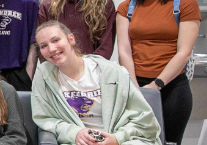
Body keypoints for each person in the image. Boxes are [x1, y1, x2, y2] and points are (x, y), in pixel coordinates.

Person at [116, 0, 199, 144]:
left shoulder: (185, 4)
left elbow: (184, 53)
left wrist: (156, 85)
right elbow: (124, 50)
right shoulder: (127, 6)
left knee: (168, 141)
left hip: (172, 88)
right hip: (135, 87)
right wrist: (136, 87)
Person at [32, 21, 161, 145]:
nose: (52, 49)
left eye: (56, 40)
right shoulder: (43, 76)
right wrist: (75, 133)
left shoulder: (112, 72)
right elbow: (45, 118)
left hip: (121, 139)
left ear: (71, 39)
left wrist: (117, 139)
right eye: (44, 45)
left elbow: (145, 120)